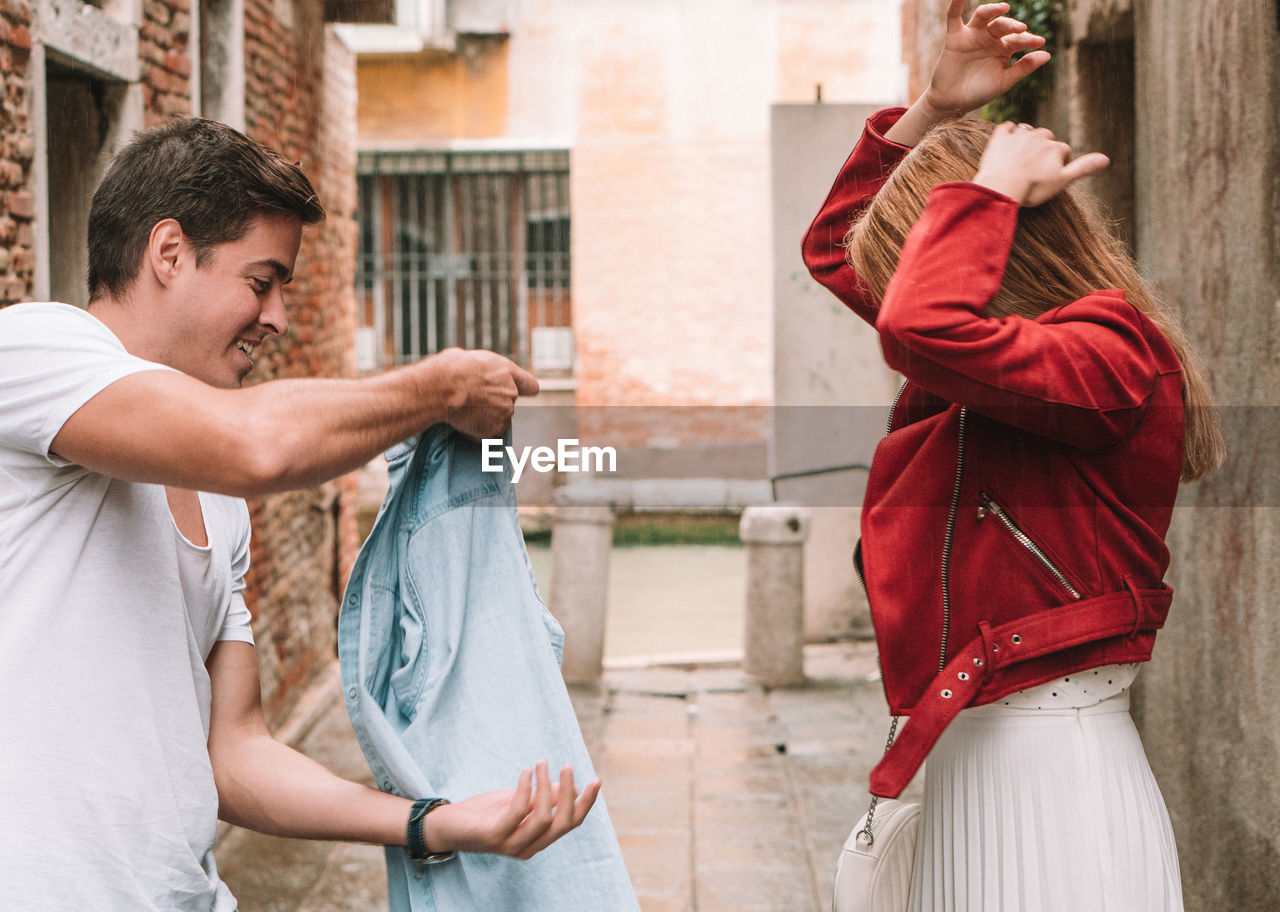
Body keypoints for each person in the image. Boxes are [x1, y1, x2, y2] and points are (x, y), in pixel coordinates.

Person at [0, 118, 601, 910]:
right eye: (262, 281)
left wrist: (435, 822)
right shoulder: (31, 350)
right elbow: (259, 445)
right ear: (169, 252)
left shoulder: (217, 500)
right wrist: (438, 389)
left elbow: (237, 753)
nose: (278, 316)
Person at [802, 2, 1224, 910]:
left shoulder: (1109, 353)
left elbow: (917, 321)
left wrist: (982, 195)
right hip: (973, 755)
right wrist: (932, 115)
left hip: (1056, 770)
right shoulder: (992, 363)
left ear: (996, 242)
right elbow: (841, 254)